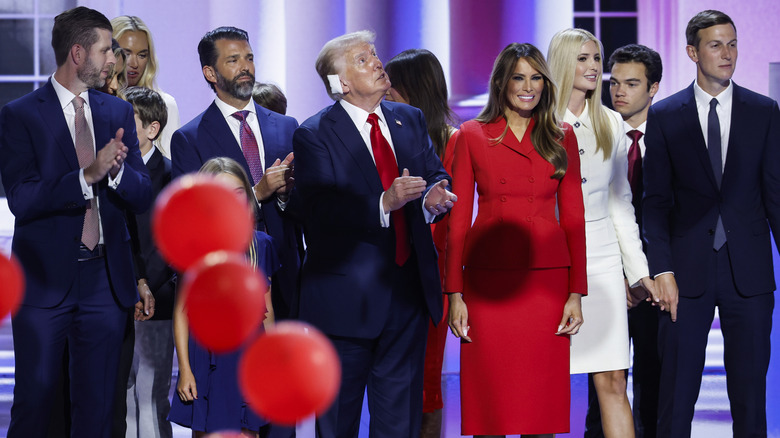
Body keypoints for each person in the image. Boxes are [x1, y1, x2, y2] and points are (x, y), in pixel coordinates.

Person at [293, 30, 456, 438]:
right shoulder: (315, 134)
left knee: (399, 424)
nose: (378, 63)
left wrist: (433, 195)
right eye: (364, 60)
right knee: (337, 424)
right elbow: (318, 210)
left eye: (375, 55)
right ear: (342, 83)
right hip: (344, 304)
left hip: (406, 299)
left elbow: (433, 174)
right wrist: (383, 203)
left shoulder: (409, 119)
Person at [0, 6, 151, 437]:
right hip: (45, 284)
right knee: (36, 404)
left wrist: (116, 171)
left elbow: (141, 195)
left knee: (99, 409)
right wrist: (86, 176)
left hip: (106, 280)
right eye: (107, 50)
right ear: (78, 53)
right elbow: (24, 199)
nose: (114, 61)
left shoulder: (118, 113)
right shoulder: (22, 115)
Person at [643, 10, 780, 437]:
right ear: (692, 52)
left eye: (733, 43)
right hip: (684, 274)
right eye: (716, 45)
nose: (727, 54)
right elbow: (655, 202)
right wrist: (661, 269)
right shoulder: (665, 114)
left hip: (750, 273)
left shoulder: (764, 111)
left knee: (750, 401)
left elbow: (776, 195)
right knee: (676, 399)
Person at [445, 42, 586, 437]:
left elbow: (574, 218)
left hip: (546, 283)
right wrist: (455, 293)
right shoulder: (472, 134)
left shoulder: (561, 135)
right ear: (501, 83)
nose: (528, 87)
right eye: (519, 78)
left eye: (536, 78)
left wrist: (576, 292)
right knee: (490, 405)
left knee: (540, 405)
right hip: (489, 284)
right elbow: (458, 220)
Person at [547, 28, 653, 438]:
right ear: (563, 63)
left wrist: (637, 272)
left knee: (612, 381)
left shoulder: (611, 121)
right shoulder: (539, 122)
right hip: (551, 262)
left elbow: (619, 205)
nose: (594, 67)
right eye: (584, 58)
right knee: (545, 381)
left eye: (597, 59)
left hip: (603, 262)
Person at [171, 27, 301, 334]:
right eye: (233, 60)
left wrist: (285, 195)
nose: (245, 67)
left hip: (285, 276)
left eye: (249, 58)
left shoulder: (286, 126)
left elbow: (306, 203)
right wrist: (258, 193)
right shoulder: (190, 139)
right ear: (210, 72)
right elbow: (193, 220)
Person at [168, 157, 280, 437]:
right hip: (207, 359)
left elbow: (267, 310)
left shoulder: (261, 245)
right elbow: (181, 313)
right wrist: (185, 369)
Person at [384, 47, 458, 438]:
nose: (384, 94)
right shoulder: (386, 138)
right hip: (391, 273)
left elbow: (456, 216)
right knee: (393, 383)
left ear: (413, 91)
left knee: (427, 381)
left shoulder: (452, 141)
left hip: (434, 278)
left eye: (391, 88)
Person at [123, 86, 176, 438]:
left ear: (152, 129)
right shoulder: (111, 171)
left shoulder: (172, 175)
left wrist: (147, 287)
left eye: (128, 122)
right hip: (119, 294)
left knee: (152, 393)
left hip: (158, 298)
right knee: (122, 393)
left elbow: (169, 244)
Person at [111, 15, 180, 159]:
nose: (134, 64)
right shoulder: (92, 103)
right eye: (126, 54)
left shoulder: (165, 105)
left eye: (142, 55)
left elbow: (170, 167)